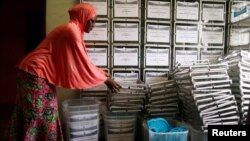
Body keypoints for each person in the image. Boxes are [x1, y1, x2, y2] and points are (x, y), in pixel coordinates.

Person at [7, 3, 121, 141]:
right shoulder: (72, 32)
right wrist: (106, 79)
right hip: (34, 72)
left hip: (33, 72)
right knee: (39, 115)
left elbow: (82, 61)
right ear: (83, 17)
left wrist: (102, 74)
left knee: (40, 113)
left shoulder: (74, 30)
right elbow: (82, 64)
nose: (93, 24)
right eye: (92, 19)